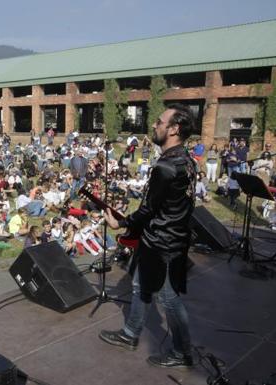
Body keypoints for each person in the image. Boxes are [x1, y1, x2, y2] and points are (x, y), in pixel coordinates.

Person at [100, 104, 197, 369]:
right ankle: (130, 334)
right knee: (139, 286)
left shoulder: (166, 166)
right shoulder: (187, 160)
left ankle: (182, 351)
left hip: (162, 244)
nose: (154, 125)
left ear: (174, 128)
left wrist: (121, 223)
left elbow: (149, 208)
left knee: (168, 299)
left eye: (159, 121)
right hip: (167, 238)